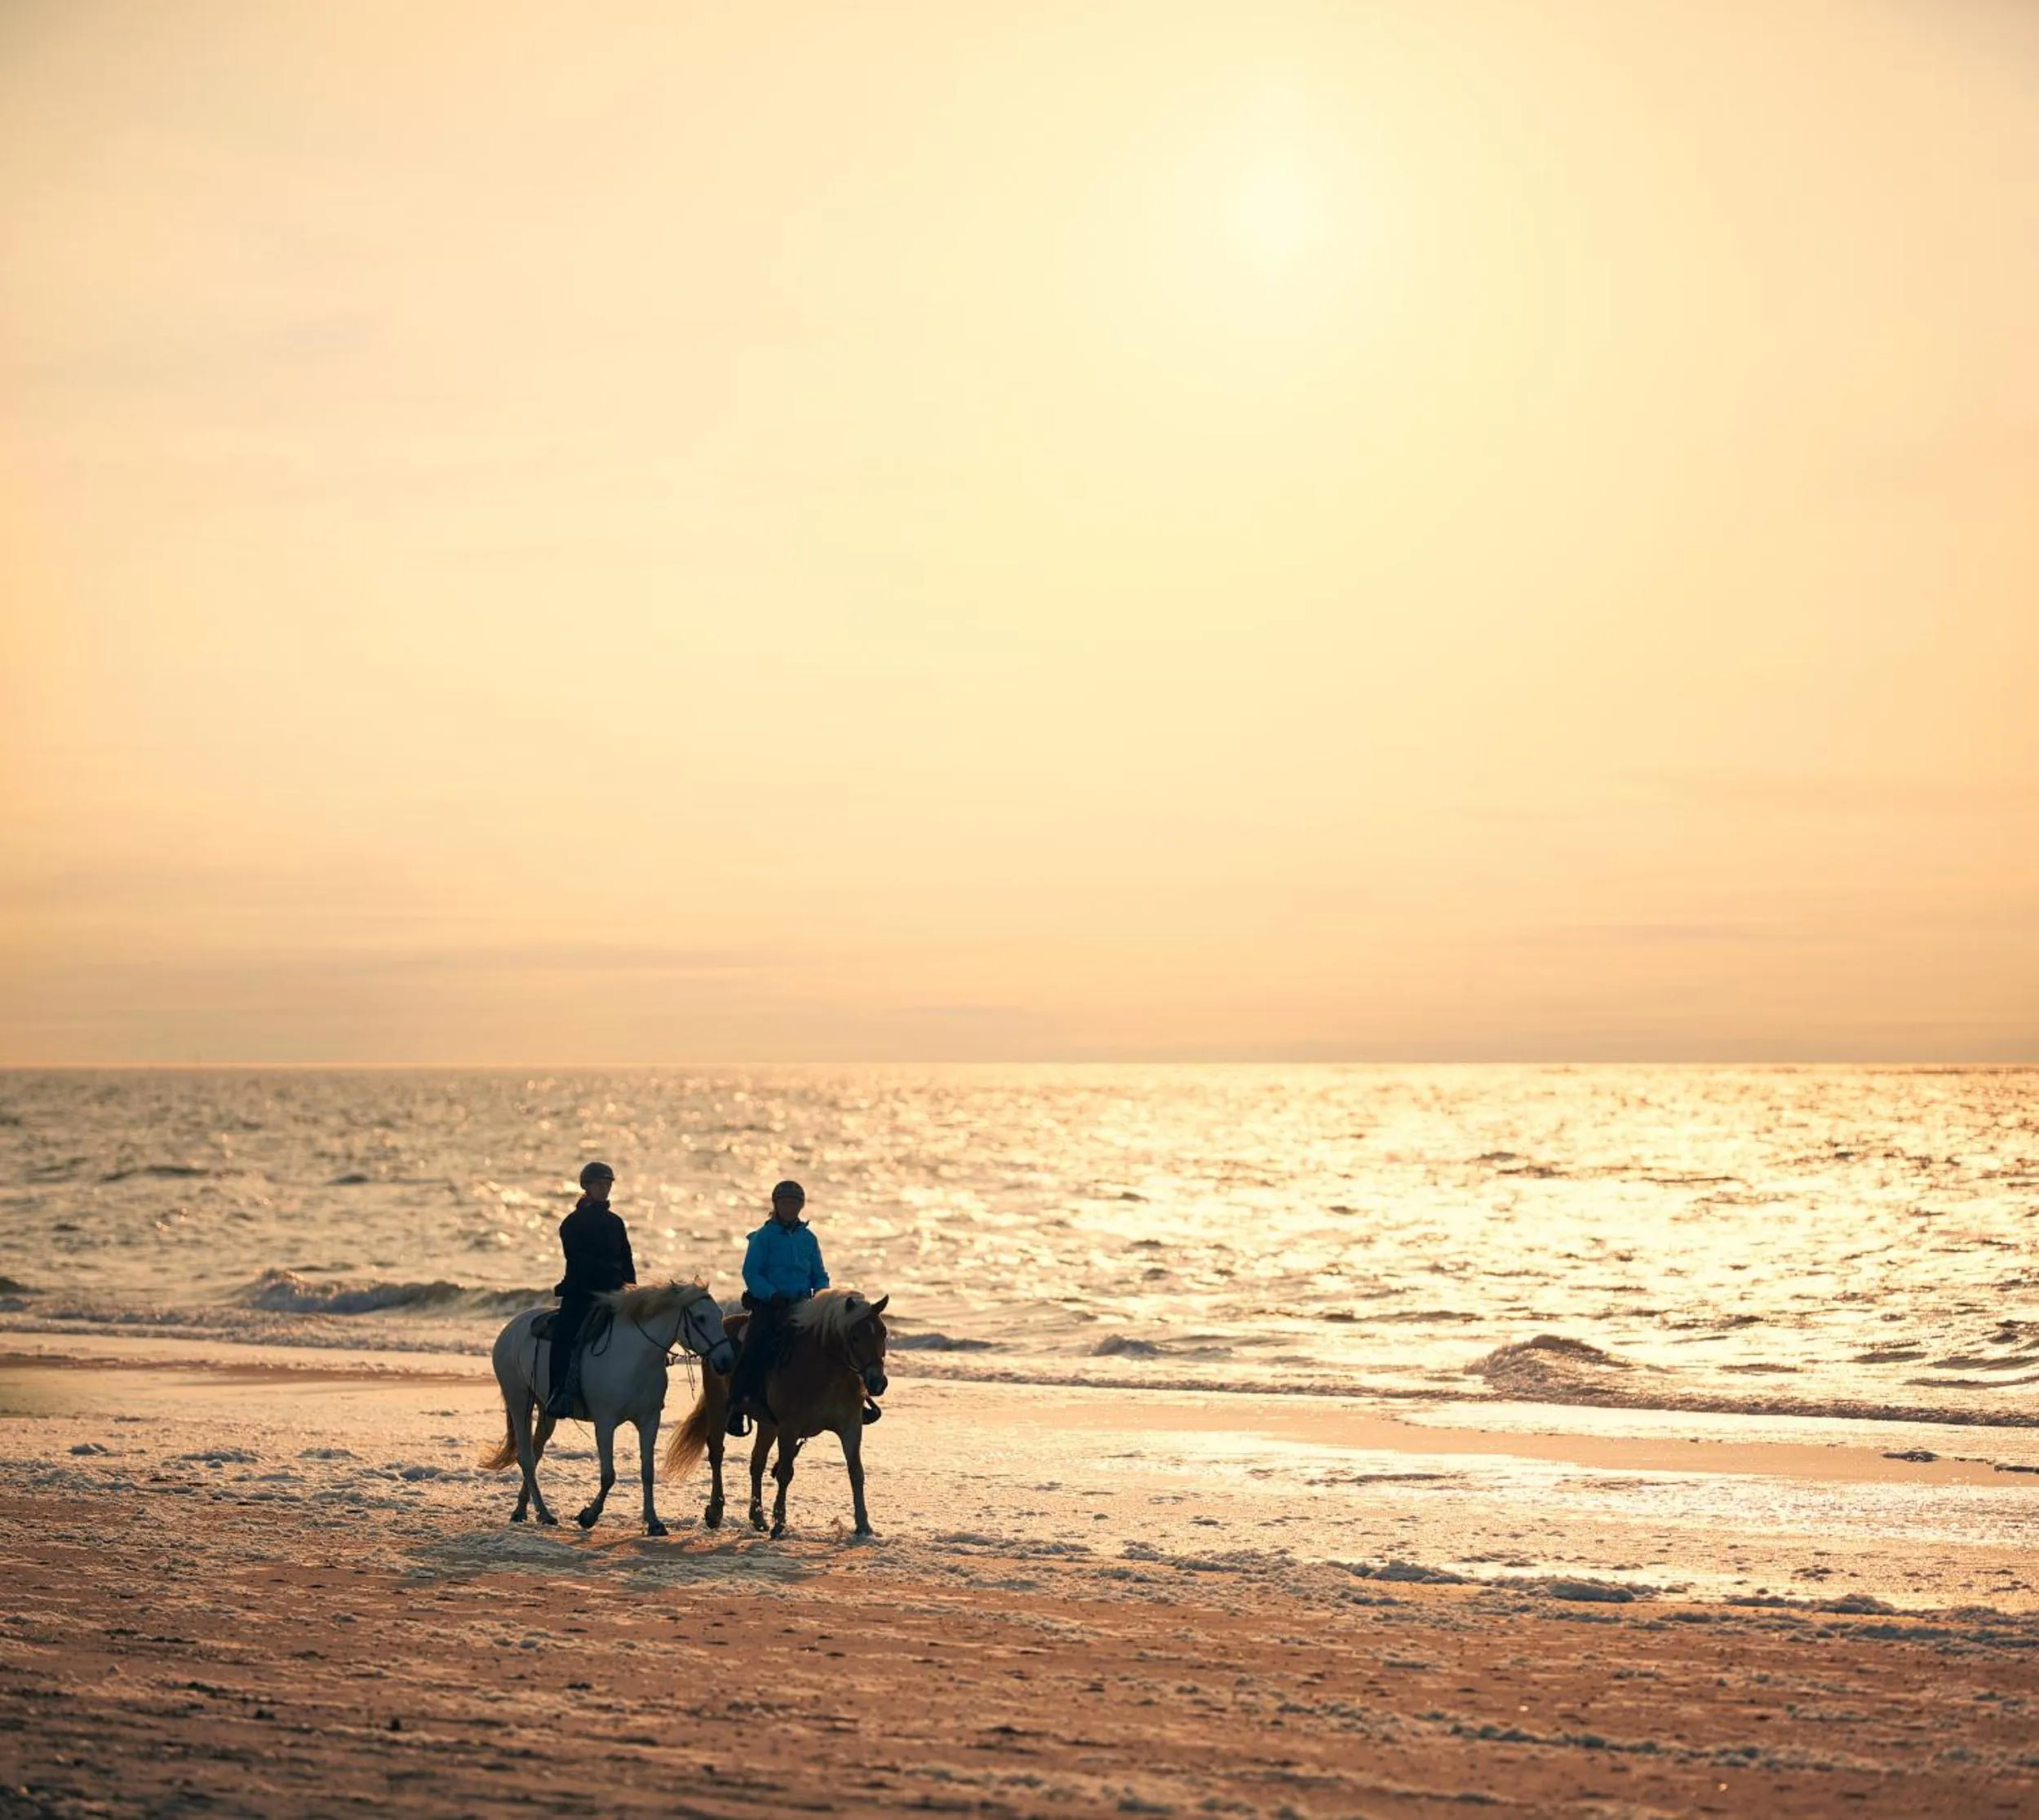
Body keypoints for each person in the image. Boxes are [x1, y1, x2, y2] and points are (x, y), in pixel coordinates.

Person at [725, 1179, 828, 1434]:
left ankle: (851, 1399)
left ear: (801, 1206)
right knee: (755, 1343)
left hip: (802, 1305)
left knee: (834, 1337)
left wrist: (823, 1297)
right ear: (776, 1205)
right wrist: (772, 1295)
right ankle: (738, 1404)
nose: (789, 1208)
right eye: (785, 1203)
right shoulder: (763, 1237)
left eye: (794, 1203)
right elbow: (752, 1272)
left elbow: (819, 1274)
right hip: (770, 1305)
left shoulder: (809, 1238)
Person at [546, 1161, 636, 1419]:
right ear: (587, 1186)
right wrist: (611, 1277)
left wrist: (632, 1289)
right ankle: (558, 1392)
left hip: (615, 1291)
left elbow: (626, 1258)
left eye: (608, 1184)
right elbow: (578, 1260)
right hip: (582, 1291)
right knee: (564, 1334)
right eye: (599, 1184)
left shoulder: (616, 1222)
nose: (604, 1189)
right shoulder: (572, 1223)